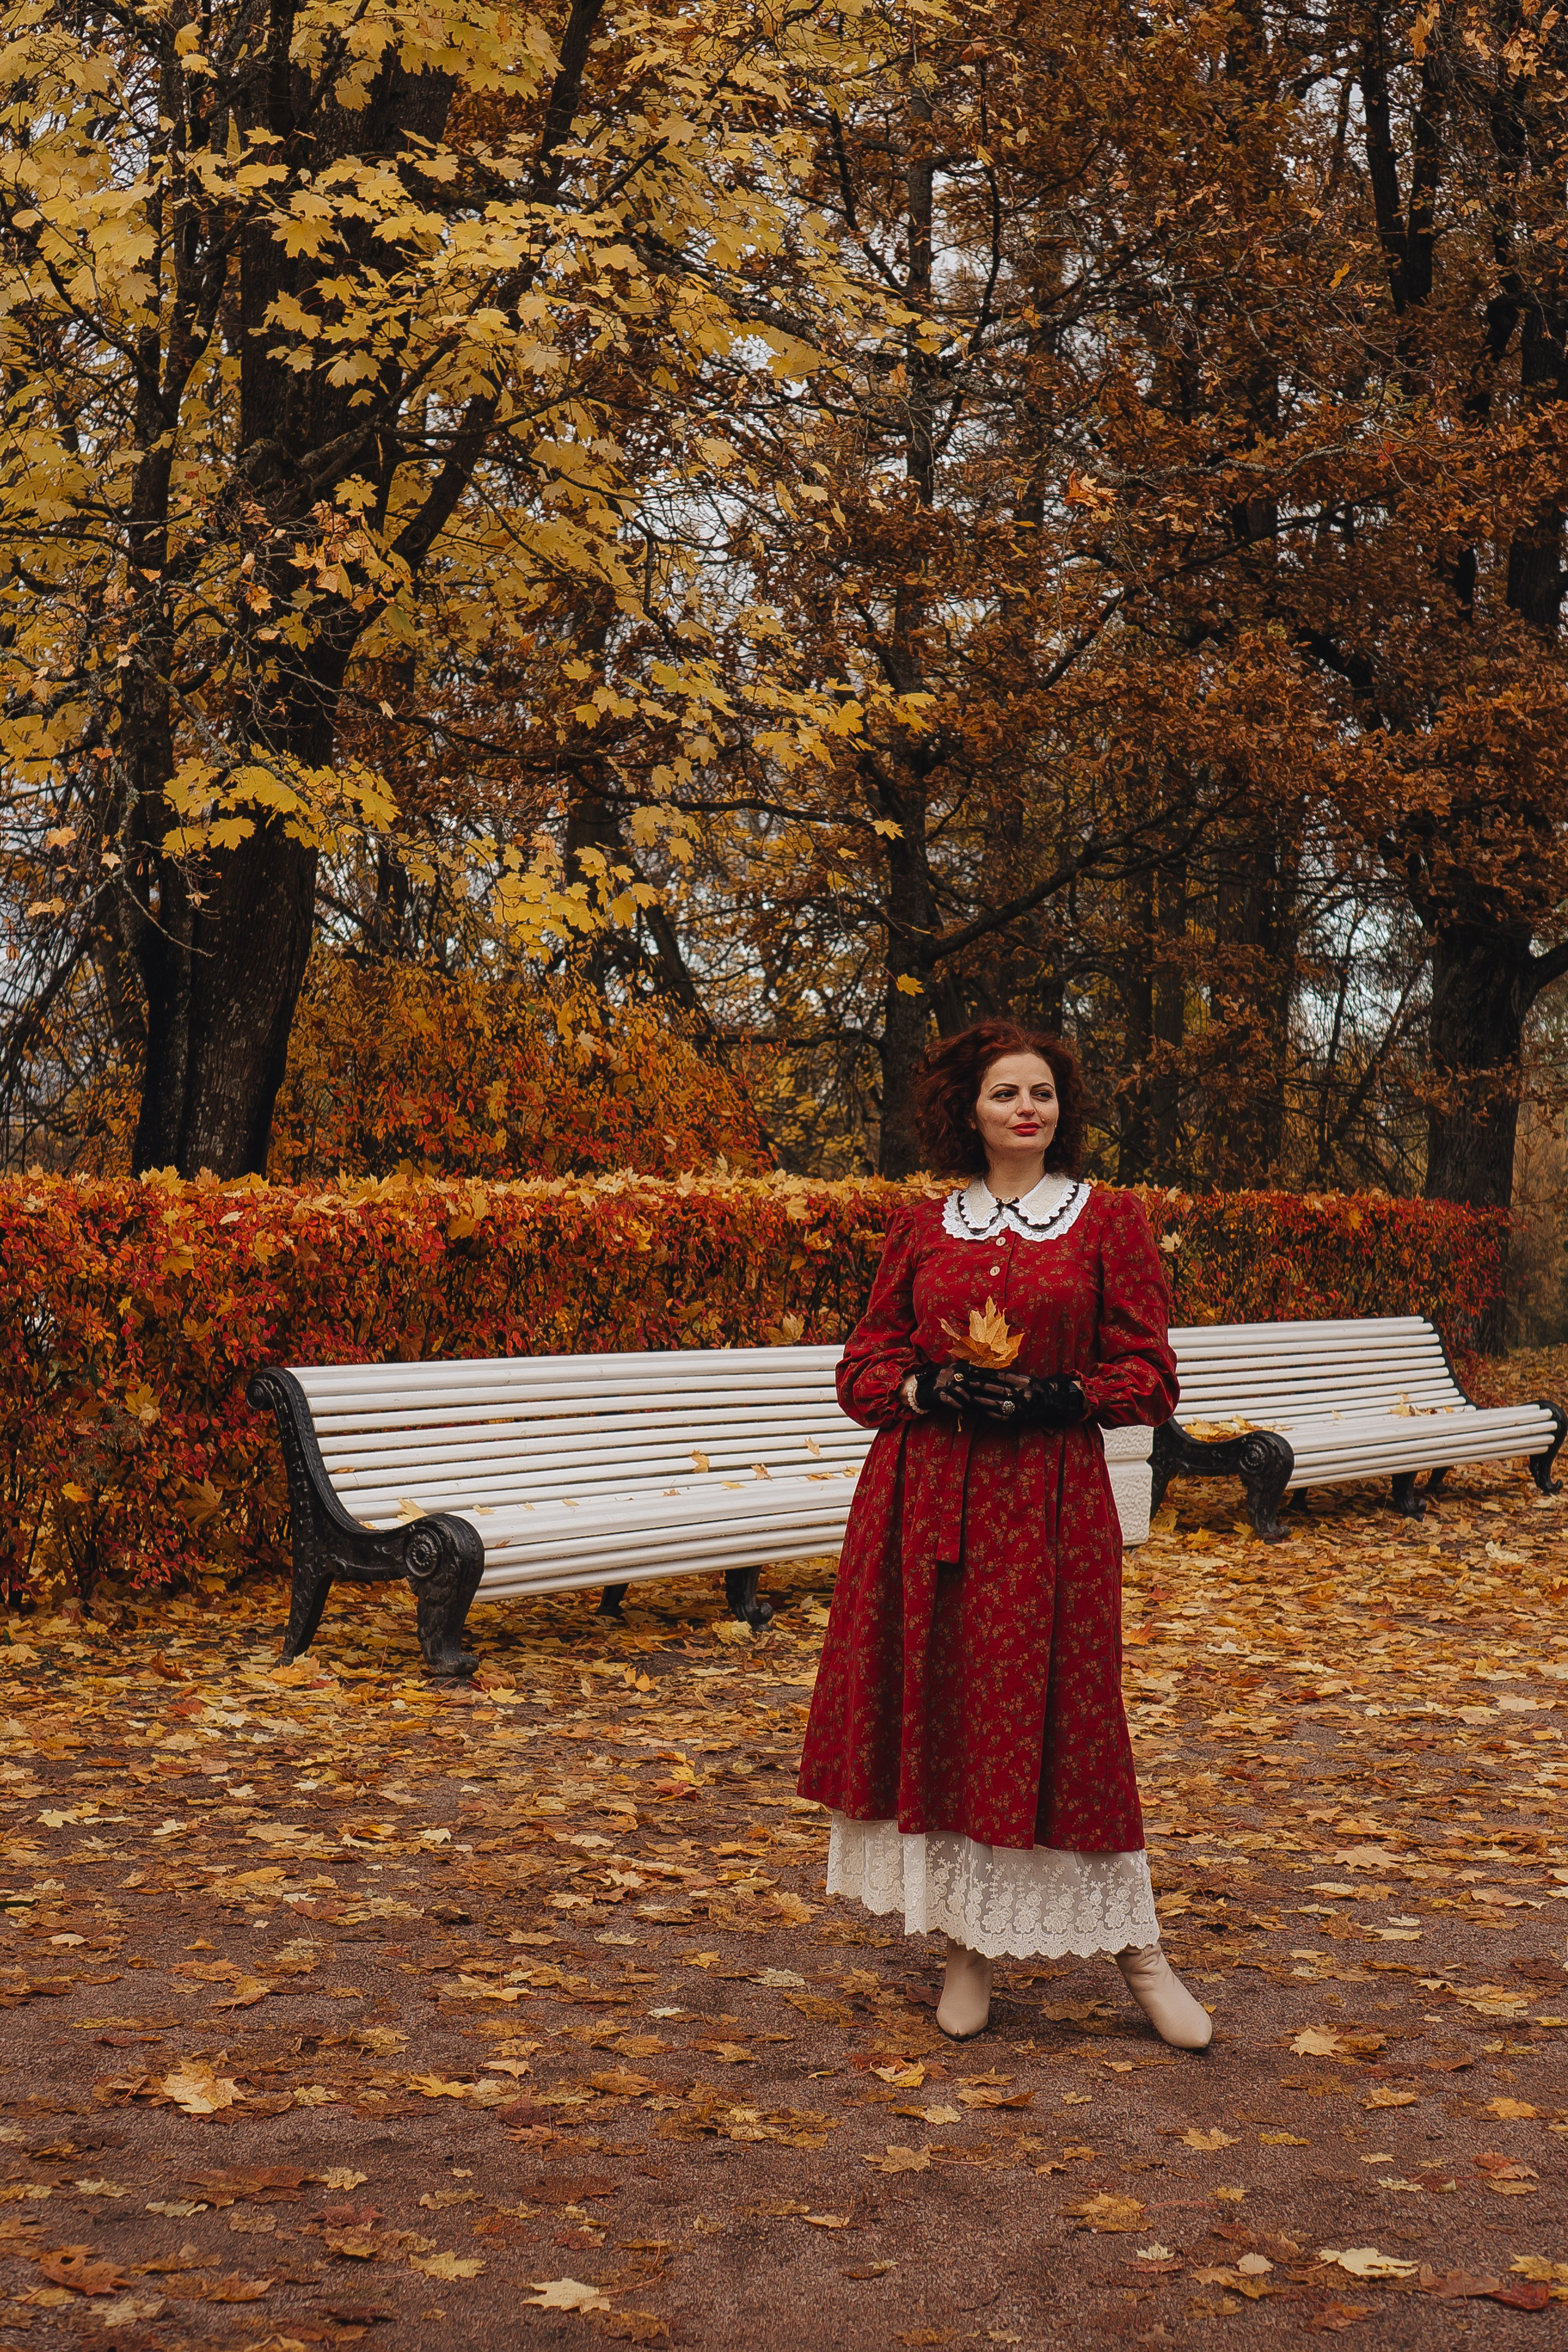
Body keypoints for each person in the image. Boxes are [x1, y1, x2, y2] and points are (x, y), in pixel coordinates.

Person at [796, 1020, 1211, 2048]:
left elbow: (1153, 1376)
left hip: (1050, 1503)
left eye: (1041, 1094)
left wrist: (1064, 1396)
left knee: (1072, 1719)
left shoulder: (1106, 1222)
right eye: (1004, 1095)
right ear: (968, 1111)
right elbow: (860, 1370)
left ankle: (1141, 1953)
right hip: (926, 1494)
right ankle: (966, 1950)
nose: (1027, 1110)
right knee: (948, 1711)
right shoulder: (923, 1228)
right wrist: (922, 1383)